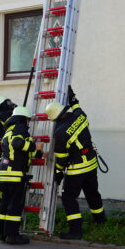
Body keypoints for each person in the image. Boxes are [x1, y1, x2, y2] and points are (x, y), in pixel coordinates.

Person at [45, 86, 106, 240]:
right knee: (92, 193)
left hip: (77, 169)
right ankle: (101, 221)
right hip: (91, 163)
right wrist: (71, 96)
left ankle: (75, 231)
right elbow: (76, 104)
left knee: (68, 198)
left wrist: (58, 173)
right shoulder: (80, 115)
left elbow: (62, 158)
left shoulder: (59, 133)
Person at [0, 106, 43, 245]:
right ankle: (12, 236)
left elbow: (20, 150)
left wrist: (39, 153)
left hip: (4, 173)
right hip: (15, 174)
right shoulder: (20, 128)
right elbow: (18, 144)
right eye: (28, 120)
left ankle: (2, 233)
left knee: (5, 204)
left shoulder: (9, 130)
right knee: (15, 206)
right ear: (24, 119)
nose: (29, 123)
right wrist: (36, 147)